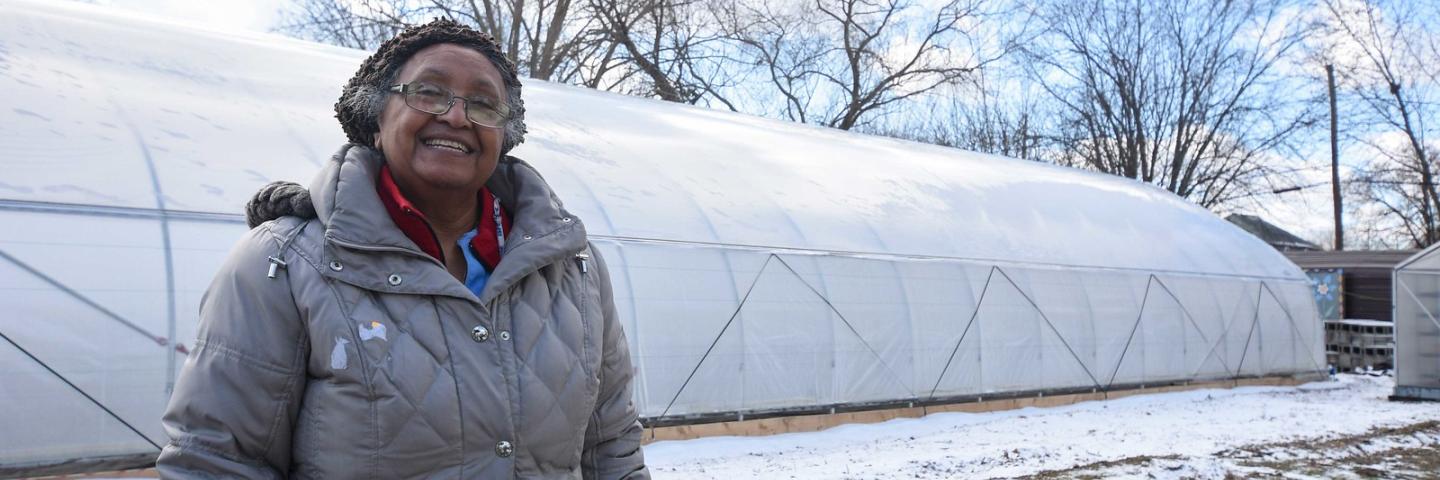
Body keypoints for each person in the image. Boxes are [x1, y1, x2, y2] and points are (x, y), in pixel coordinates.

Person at [157, 19, 648, 479]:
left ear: (504, 137)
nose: (457, 116)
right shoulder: (285, 260)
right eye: (429, 92)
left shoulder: (571, 268)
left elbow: (612, 448)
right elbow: (215, 461)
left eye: (483, 104)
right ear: (375, 120)